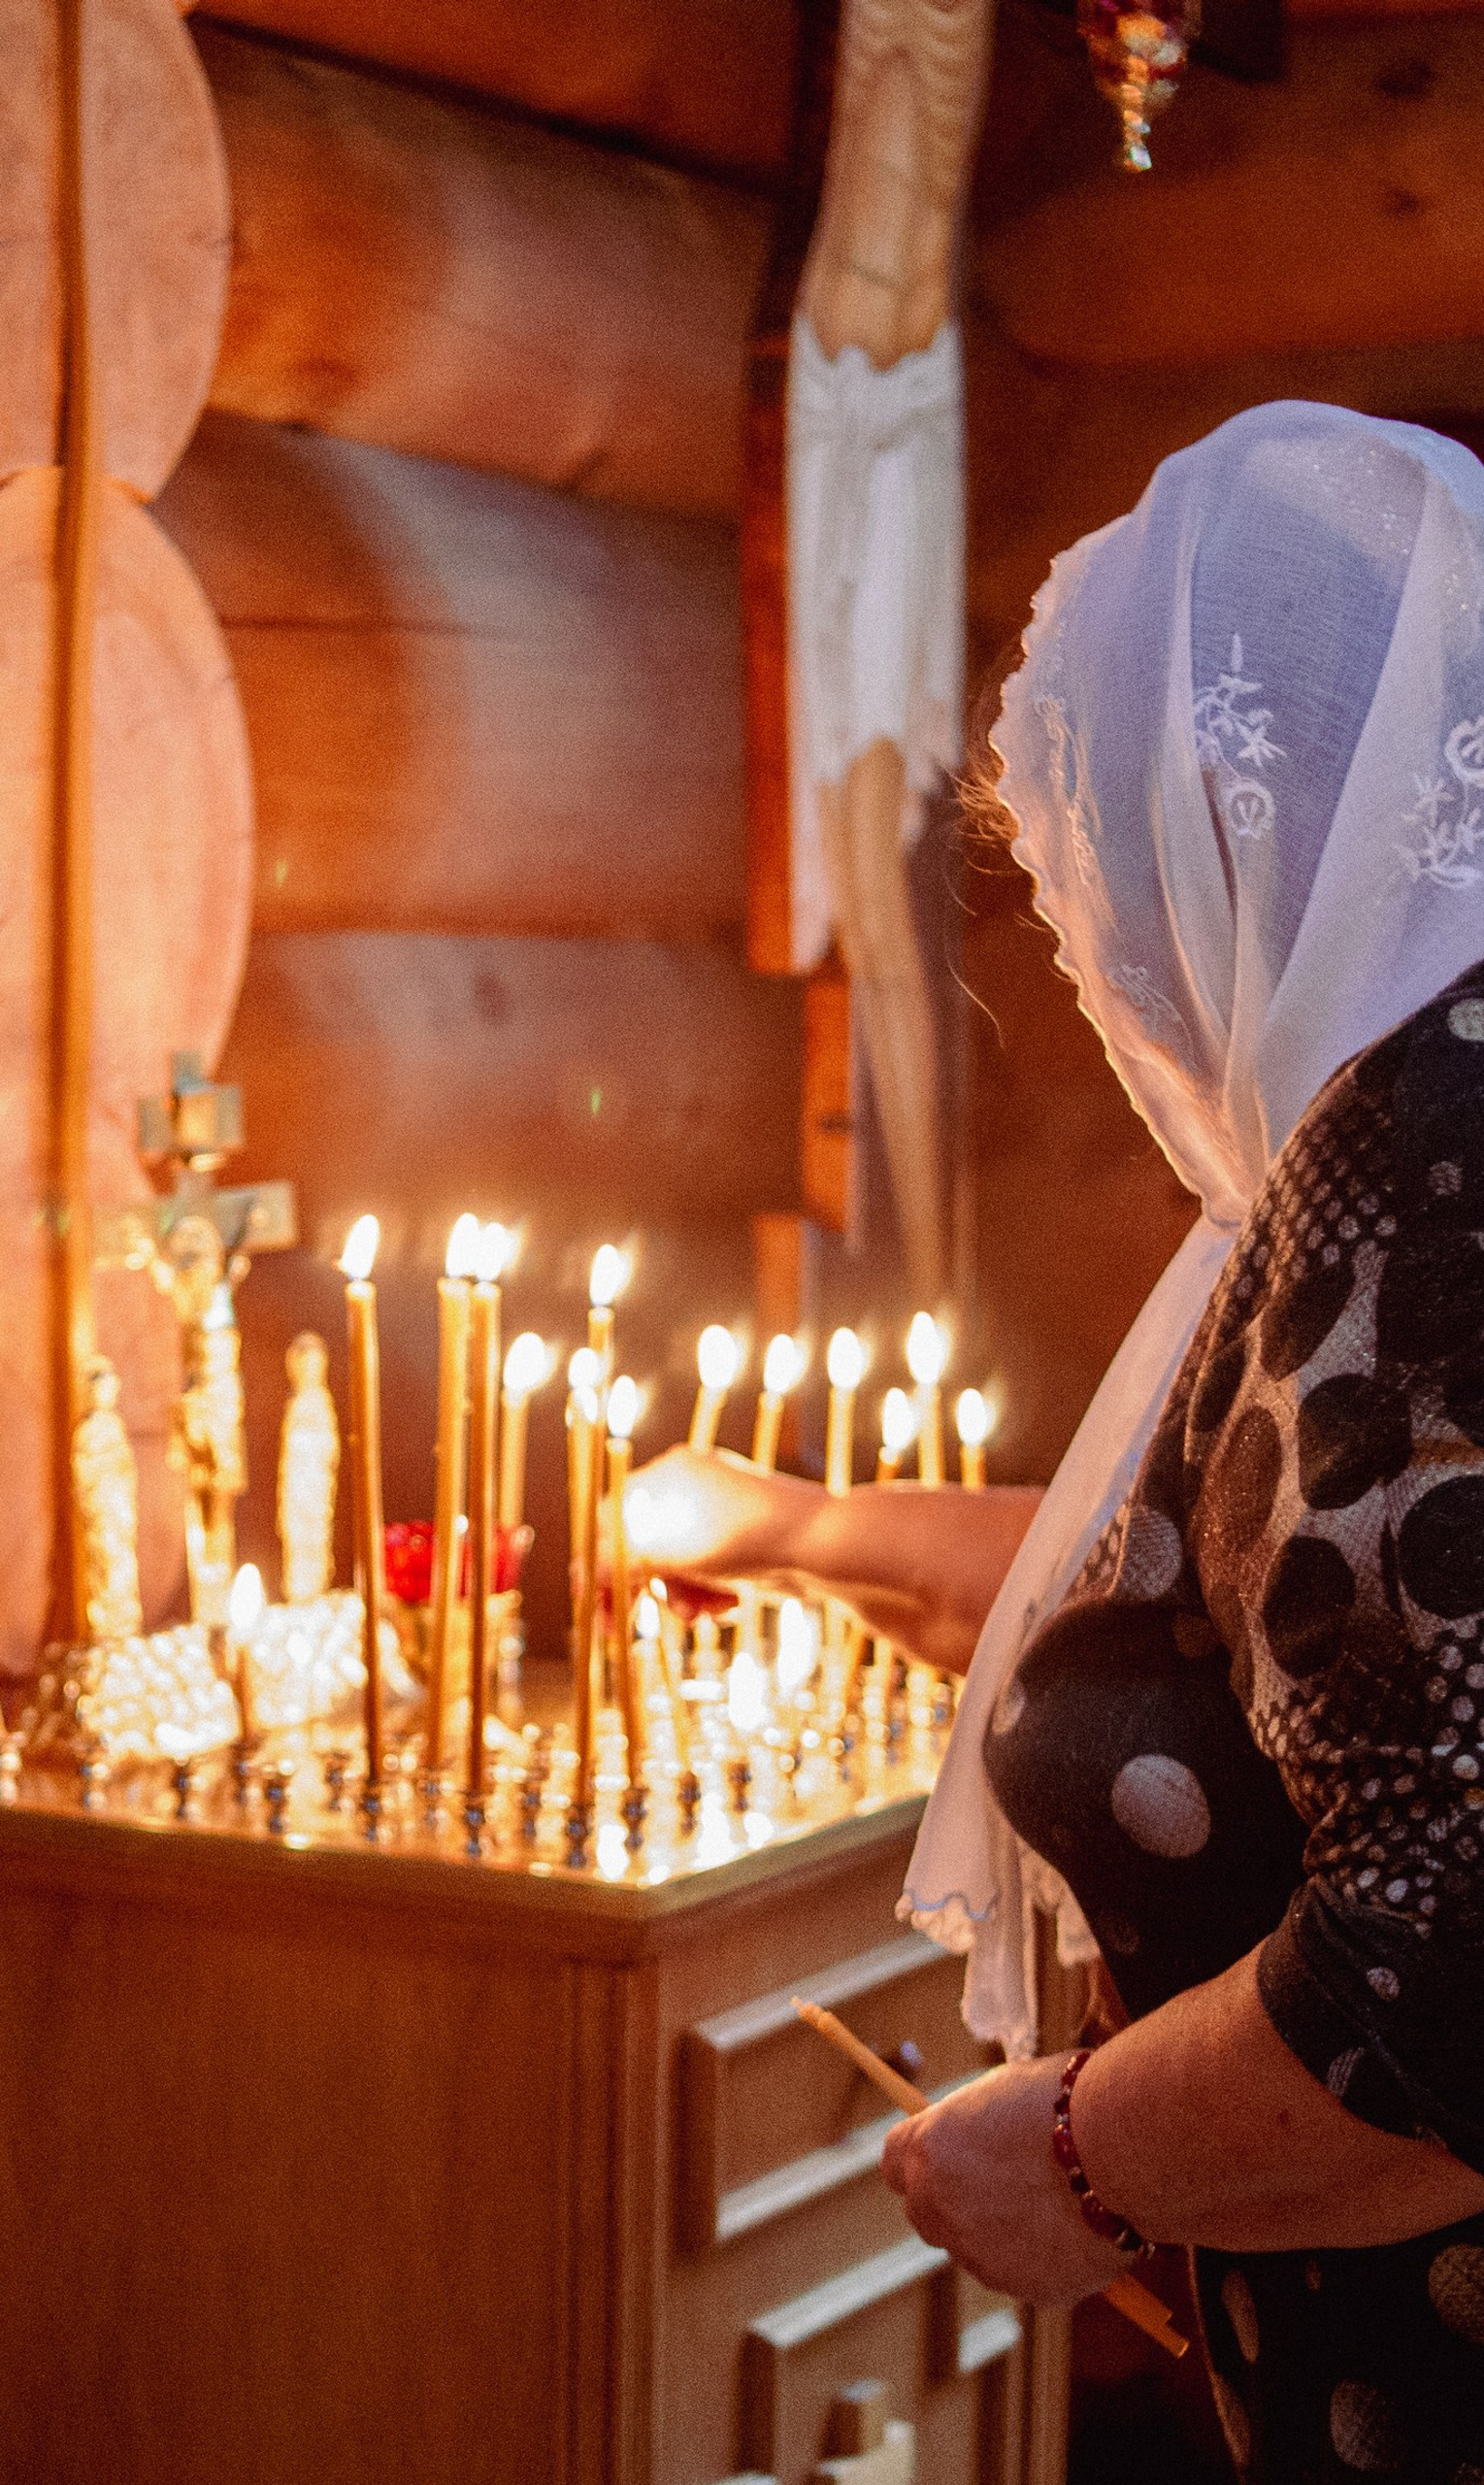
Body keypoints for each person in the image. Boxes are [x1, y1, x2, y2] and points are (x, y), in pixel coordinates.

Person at [635, 403, 1484, 2482]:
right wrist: (800, 1521)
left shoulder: (1425, 1169)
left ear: (1217, 819)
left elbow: (1447, 1962)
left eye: (1088, 857)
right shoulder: (1392, 1120)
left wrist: (1081, 2163)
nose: (1103, 951)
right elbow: (1263, 1587)